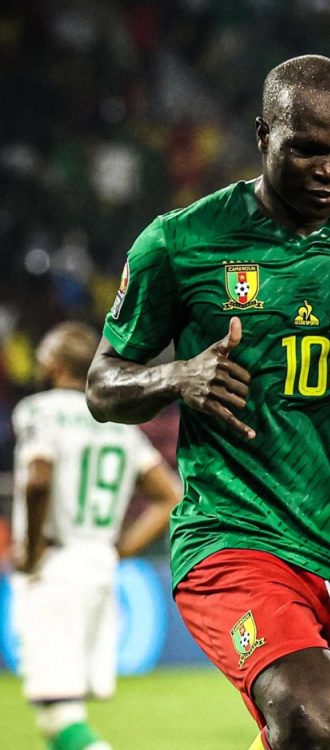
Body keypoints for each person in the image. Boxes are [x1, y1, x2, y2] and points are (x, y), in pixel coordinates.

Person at [85, 55, 330, 750]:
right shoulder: (182, 241)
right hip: (232, 535)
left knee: (327, 734)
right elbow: (102, 385)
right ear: (264, 135)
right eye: (309, 149)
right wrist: (177, 377)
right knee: (312, 712)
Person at [11, 321, 180, 750]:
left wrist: (31, 553)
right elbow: (170, 496)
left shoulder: (38, 410)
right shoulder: (118, 424)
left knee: (58, 716)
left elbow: (37, 480)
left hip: (54, 565)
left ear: (54, 363)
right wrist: (122, 549)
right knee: (64, 711)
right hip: (99, 565)